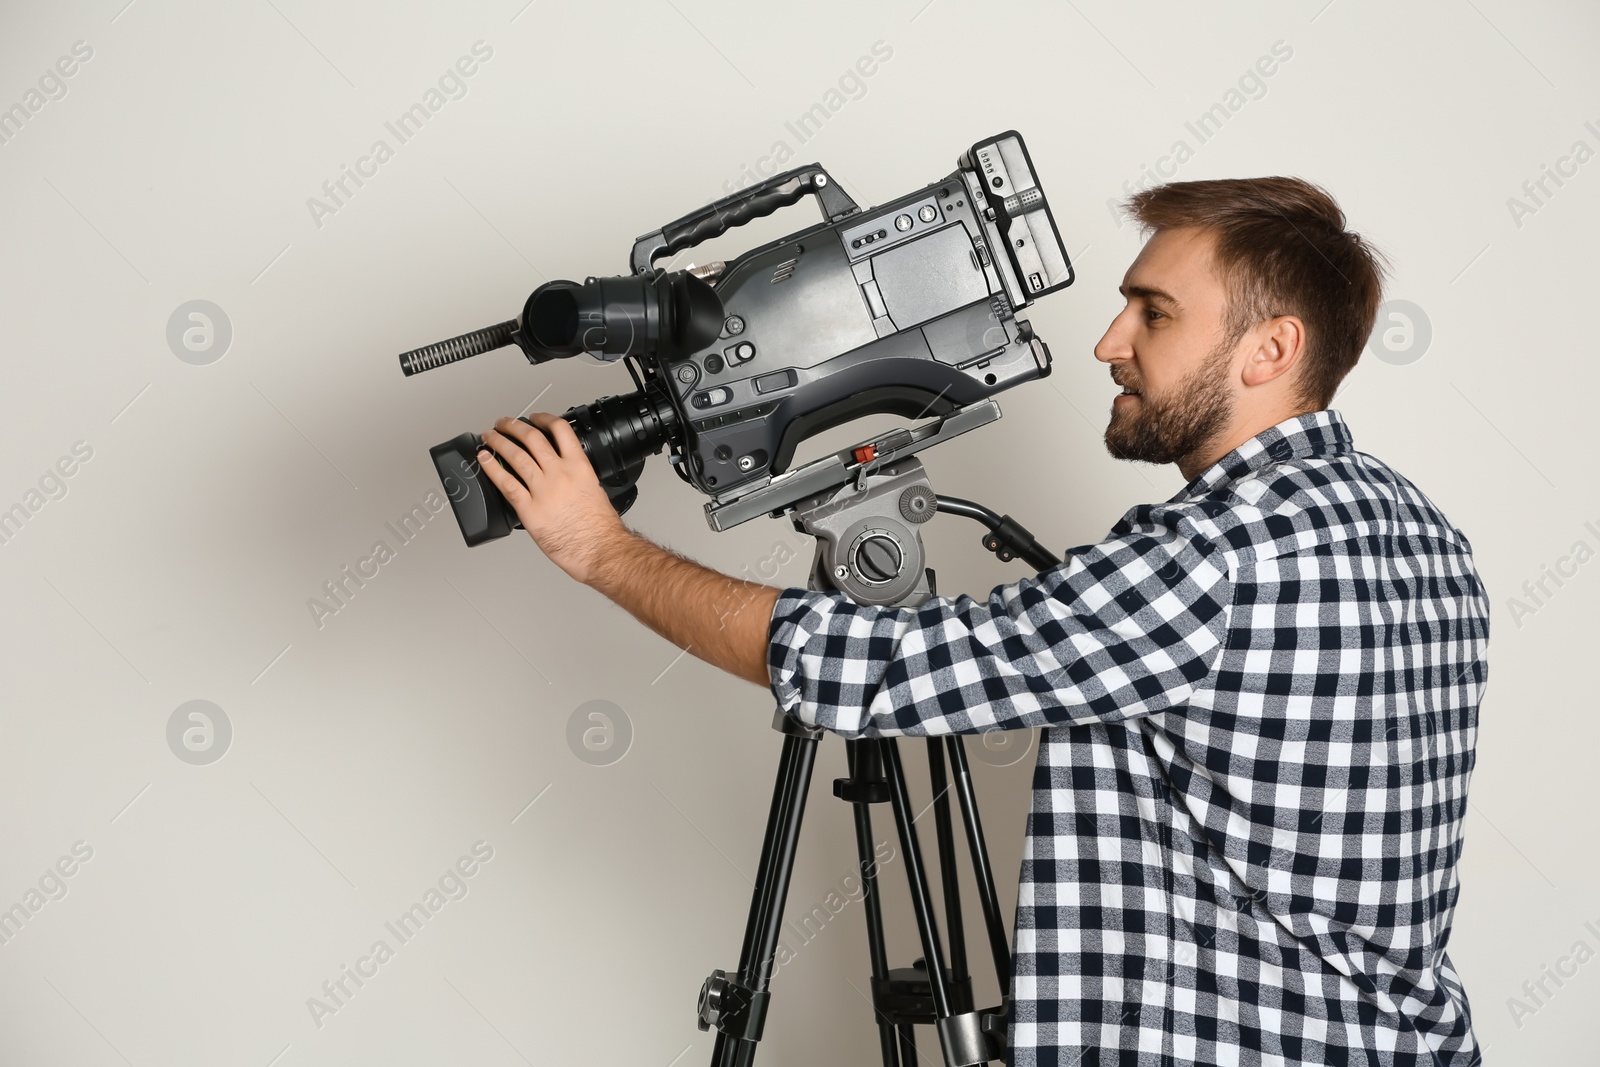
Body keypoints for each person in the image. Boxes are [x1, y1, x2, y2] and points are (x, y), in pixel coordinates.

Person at [474, 177, 1489, 1066]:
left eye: (1154, 313)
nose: (1108, 341)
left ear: (1272, 347)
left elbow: (874, 670)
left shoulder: (1216, 556)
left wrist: (598, 549)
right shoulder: (1425, 537)